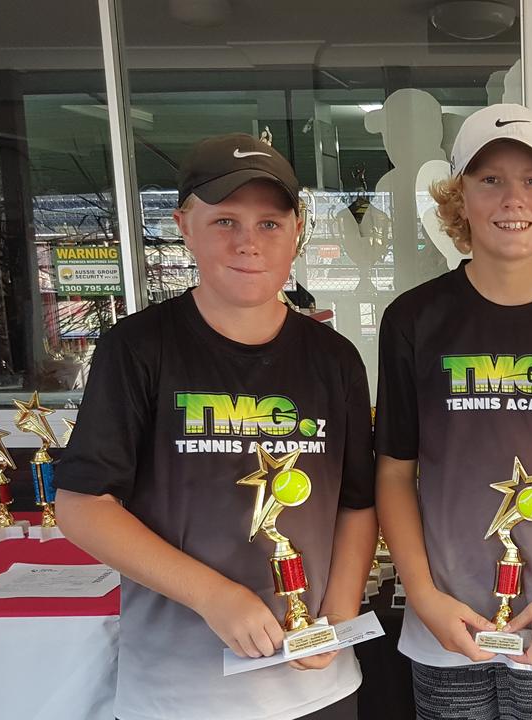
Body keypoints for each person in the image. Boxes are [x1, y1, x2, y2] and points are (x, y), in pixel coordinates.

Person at [55, 133, 377, 720]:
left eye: (270, 223)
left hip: (319, 691)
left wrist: (339, 612)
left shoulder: (335, 359)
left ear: (298, 228)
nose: (249, 243)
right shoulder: (137, 348)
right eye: (225, 220)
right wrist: (215, 596)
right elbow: (82, 506)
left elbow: (357, 504)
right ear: (184, 224)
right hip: (178, 695)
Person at [374, 103, 532, 720]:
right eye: (490, 179)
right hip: (445, 632)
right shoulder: (413, 320)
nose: (512, 198)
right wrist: (423, 595)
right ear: (458, 197)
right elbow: (392, 474)